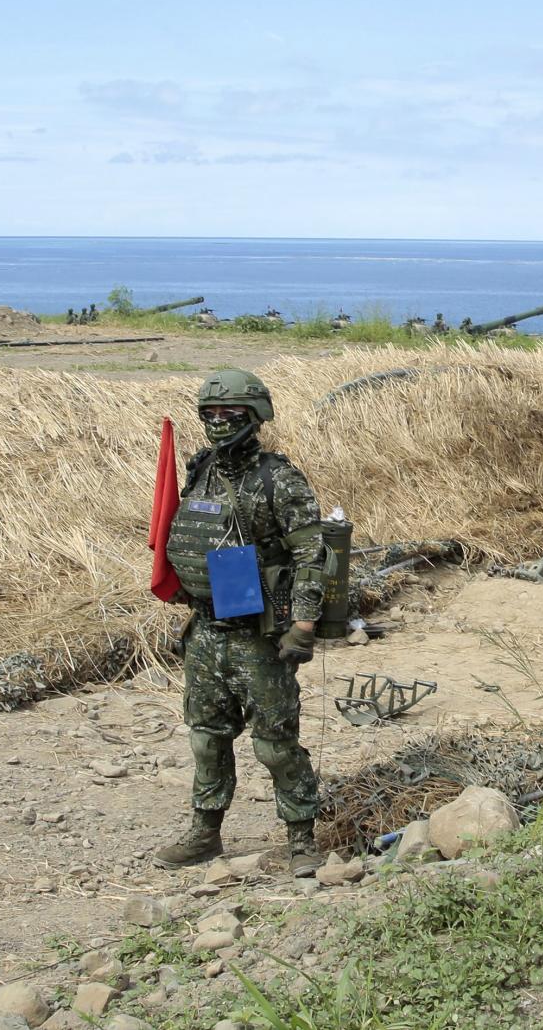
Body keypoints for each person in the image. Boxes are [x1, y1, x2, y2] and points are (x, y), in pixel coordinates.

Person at [155, 369, 326, 877]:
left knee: (275, 744)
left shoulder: (280, 478)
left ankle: (301, 840)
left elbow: (312, 555)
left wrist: (304, 626)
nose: (218, 421)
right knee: (206, 737)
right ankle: (205, 833)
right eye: (209, 413)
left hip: (258, 634)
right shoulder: (201, 468)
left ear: (255, 416)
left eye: (230, 413)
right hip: (207, 629)